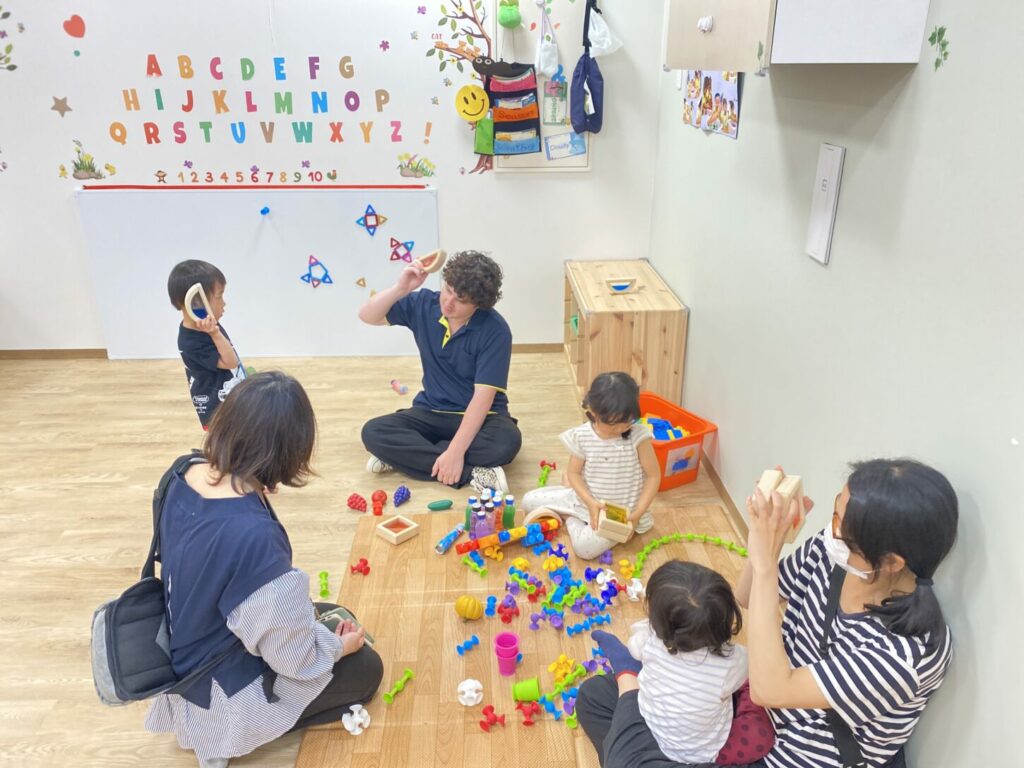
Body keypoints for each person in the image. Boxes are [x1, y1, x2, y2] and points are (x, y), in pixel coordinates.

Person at [576, 458, 957, 768]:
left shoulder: (905, 653)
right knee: (595, 696)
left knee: (628, 746)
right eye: (835, 512)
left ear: (890, 562)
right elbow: (746, 596)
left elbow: (771, 689)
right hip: (752, 711)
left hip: (791, 753)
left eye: (842, 525)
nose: (830, 530)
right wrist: (768, 548)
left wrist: (763, 561)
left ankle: (635, 707)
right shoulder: (833, 557)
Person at [144, 372, 384, 768]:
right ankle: (228, 738)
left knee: (331, 615)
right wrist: (338, 649)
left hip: (185, 648)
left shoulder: (183, 471)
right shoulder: (254, 537)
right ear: (289, 453)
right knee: (365, 668)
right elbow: (294, 661)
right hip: (217, 694)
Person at [359, 250, 522, 494]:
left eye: (461, 300)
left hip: (483, 416)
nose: (448, 302)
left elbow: (482, 398)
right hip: (431, 411)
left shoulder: (495, 330)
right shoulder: (425, 304)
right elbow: (367, 316)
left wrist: (455, 452)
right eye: (448, 290)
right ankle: (472, 474)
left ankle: (407, 457)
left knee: (506, 443)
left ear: (479, 304)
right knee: (373, 432)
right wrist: (400, 289)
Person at [612, 560, 770, 765]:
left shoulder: (649, 636)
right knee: (761, 735)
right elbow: (753, 669)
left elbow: (634, 648)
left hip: (651, 726)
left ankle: (624, 670)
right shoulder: (733, 661)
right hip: (701, 752)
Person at [521, 372, 661, 560]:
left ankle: (570, 518)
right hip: (585, 501)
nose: (622, 429)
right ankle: (570, 501)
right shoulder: (583, 436)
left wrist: (638, 512)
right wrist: (589, 502)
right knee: (527, 501)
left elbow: (653, 476)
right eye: (613, 425)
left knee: (584, 549)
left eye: (628, 422)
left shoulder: (639, 437)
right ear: (594, 413)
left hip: (619, 515)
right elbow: (574, 472)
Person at [167, 260, 246, 429]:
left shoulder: (208, 325)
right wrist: (215, 334)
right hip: (219, 412)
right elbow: (231, 362)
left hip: (234, 400)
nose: (224, 303)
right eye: (219, 296)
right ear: (196, 303)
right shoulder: (191, 342)